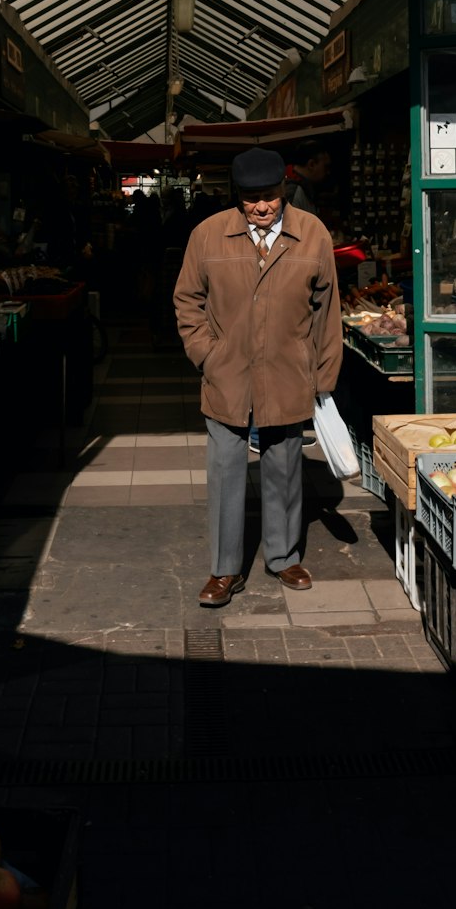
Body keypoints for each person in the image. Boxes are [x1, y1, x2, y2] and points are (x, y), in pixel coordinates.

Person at [173, 146, 344, 607]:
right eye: (251, 199)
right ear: (238, 197)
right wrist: (207, 355)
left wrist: (322, 373)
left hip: (289, 373)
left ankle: (283, 556)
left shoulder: (313, 235)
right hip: (226, 377)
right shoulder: (208, 236)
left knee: (285, 468)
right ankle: (225, 570)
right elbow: (187, 300)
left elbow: (327, 310)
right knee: (226, 472)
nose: (262, 207)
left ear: (284, 190)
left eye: (270, 196)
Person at [284, 139, 332, 217]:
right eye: (325, 167)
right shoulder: (293, 192)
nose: (328, 172)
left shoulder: (303, 188)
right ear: (311, 165)